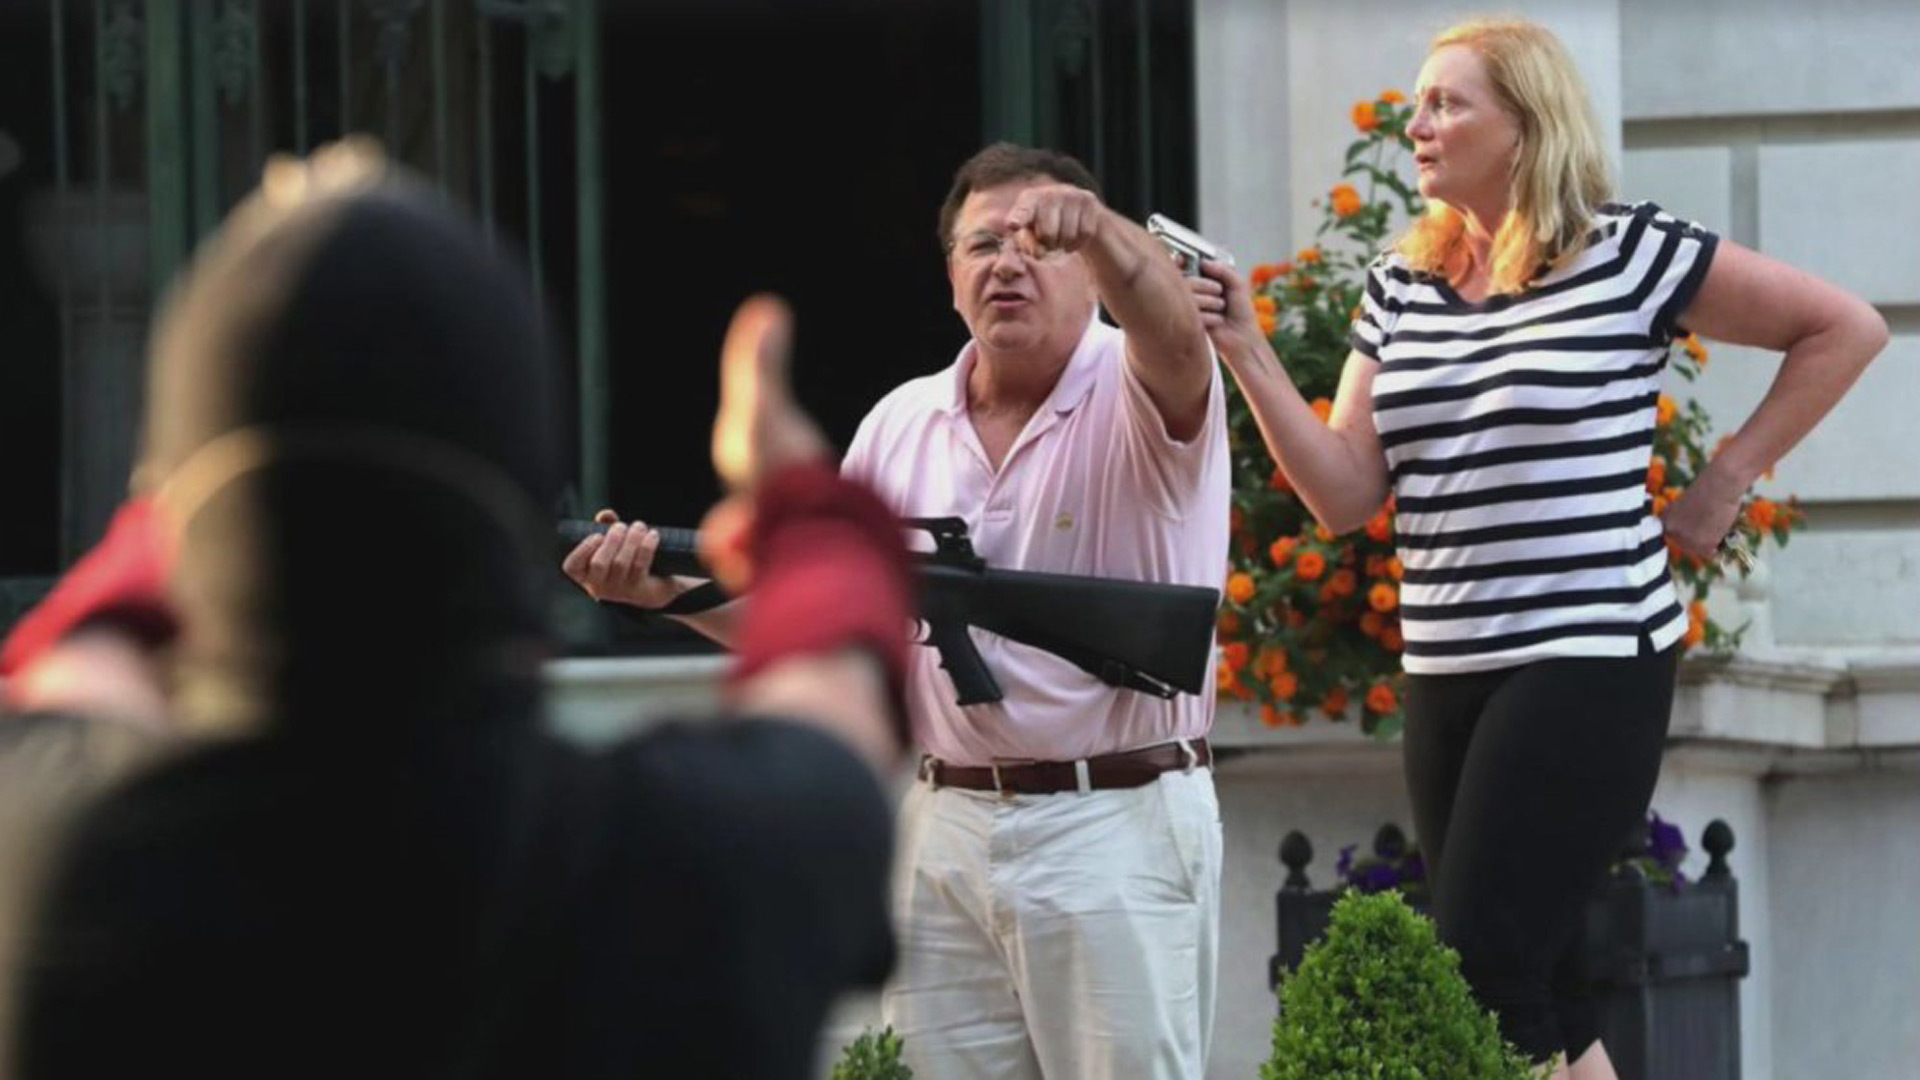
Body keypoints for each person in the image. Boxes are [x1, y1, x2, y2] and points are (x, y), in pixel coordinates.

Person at [1, 141, 915, 1080]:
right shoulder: (686, 864)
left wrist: (194, 478)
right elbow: (839, 682)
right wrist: (806, 506)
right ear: (522, 499)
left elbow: (84, 645)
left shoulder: (51, 851)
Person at [1187, 17, 1887, 1080]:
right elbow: (1343, 494)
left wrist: (1726, 478)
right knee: (1544, 982)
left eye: (1448, 103)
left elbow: (1845, 328)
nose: (1419, 124)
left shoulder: (1629, 250)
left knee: (1479, 968)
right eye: (1419, 104)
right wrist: (1243, 346)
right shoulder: (1399, 285)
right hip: (1445, 662)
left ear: (1526, 123)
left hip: (1589, 655)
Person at [566, 142, 1230, 1080]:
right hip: (942, 824)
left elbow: (1177, 337)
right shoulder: (899, 421)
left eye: (1042, 241)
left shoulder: (1141, 385)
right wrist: (662, 596)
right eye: (983, 244)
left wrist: (1118, 242)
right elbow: (829, 631)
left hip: (1114, 820)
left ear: (1091, 269)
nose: (1009, 262)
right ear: (951, 277)